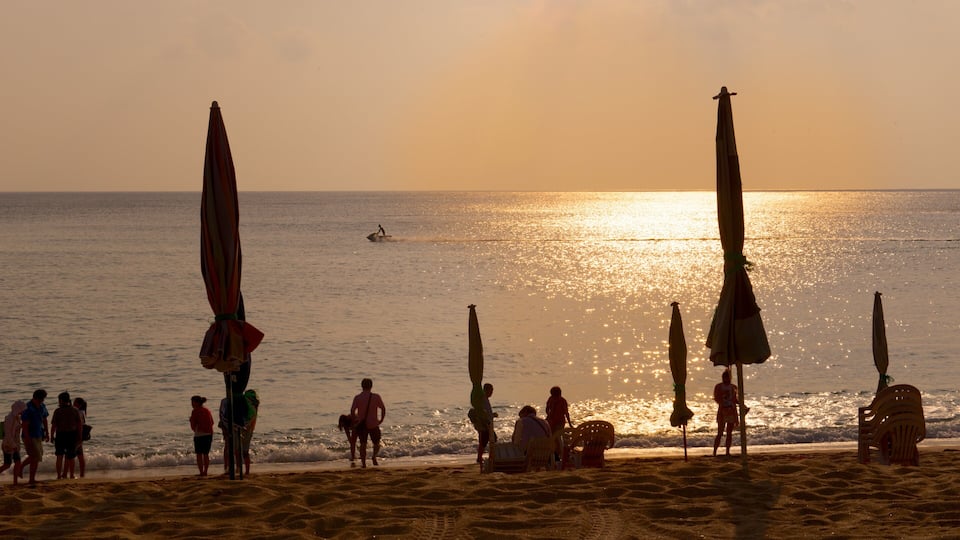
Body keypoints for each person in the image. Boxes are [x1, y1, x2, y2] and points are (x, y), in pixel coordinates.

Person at [350, 378, 386, 468]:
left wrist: (356, 420)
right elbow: (383, 408)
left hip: (362, 424)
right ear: (371, 386)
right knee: (376, 443)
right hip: (374, 423)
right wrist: (381, 419)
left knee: (363, 444)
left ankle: (364, 463)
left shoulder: (357, 398)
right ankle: (374, 457)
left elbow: (352, 410)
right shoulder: (376, 397)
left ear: (362, 386)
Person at [18, 389, 49, 485]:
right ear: (35, 398)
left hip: (39, 433)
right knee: (34, 456)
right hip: (29, 435)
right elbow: (25, 424)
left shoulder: (42, 406)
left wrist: (47, 432)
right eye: (40, 400)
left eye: (43, 400)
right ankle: (22, 468)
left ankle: (31, 478)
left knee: (37, 457)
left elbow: (44, 419)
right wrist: (27, 438)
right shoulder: (28, 408)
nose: (41, 401)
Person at [50, 391, 83, 480]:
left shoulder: (58, 411)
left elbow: (54, 425)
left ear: (60, 400)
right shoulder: (74, 410)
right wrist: (79, 436)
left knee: (59, 456)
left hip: (60, 435)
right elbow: (79, 424)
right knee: (71, 456)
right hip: (71, 435)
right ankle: (71, 475)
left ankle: (58, 476)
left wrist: (51, 435)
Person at [713, 369, 740, 457]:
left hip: (731, 410)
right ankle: (715, 451)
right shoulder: (719, 386)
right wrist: (722, 400)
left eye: (727, 377)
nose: (726, 379)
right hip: (722, 411)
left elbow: (735, 399)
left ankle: (727, 451)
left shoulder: (733, 387)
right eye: (724, 377)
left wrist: (741, 403)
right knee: (720, 432)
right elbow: (716, 398)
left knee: (729, 433)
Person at [469, 383, 498, 465]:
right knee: (484, 441)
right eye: (491, 390)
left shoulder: (485, 399)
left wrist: (492, 415)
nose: (492, 393)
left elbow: (486, 412)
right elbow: (482, 412)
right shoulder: (483, 399)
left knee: (490, 440)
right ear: (486, 390)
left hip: (486, 423)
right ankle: (480, 457)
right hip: (483, 424)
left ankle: (487, 456)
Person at [1, 400, 27, 485]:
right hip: (8, 444)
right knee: (7, 465)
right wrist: (13, 445)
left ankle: (15, 482)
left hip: (15, 444)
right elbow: (8, 434)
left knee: (18, 462)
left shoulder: (17, 417)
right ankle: (15, 481)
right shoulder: (9, 418)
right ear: (18, 409)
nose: (23, 411)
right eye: (22, 409)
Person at [545, 386, 573, 461]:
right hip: (559, 421)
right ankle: (558, 453)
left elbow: (547, 409)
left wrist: (549, 415)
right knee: (557, 438)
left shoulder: (551, 399)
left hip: (553, 421)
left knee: (553, 437)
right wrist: (570, 423)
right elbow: (566, 413)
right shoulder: (562, 400)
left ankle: (556, 453)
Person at [190, 396, 215, 477]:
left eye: (193, 402)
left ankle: (201, 472)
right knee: (206, 454)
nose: (192, 404)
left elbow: (193, 426)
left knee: (199, 454)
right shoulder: (207, 410)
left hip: (199, 435)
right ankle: (205, 471)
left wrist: (191, 421)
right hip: (208, 434)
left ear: (197, 403)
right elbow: (212, 422)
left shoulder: (195, 411)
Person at [239, 390, 259, 475]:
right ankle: (247, 471)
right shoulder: (254, 407)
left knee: (242, 452)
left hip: (246, 430)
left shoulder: (250, 407)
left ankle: (243, 470)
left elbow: (248, 421)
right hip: (249, 431)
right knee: (245, 452)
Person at [73, 397, 88, 478]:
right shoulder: (82, 412)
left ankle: (80, 473)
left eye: (74, 403)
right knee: (80, 455)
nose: (73, 404)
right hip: (80, 436)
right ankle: (82, 474)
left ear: (78, 404)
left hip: (77, 435)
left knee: (73, 455)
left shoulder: (78, 412)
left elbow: (79, 424)